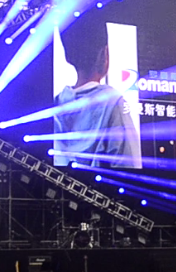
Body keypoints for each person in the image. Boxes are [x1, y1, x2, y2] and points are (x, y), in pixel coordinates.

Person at [54, 15, 142, 170]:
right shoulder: (112, 102)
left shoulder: (56, 103)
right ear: (104, 54)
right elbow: (128, 165)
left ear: (67, 56)